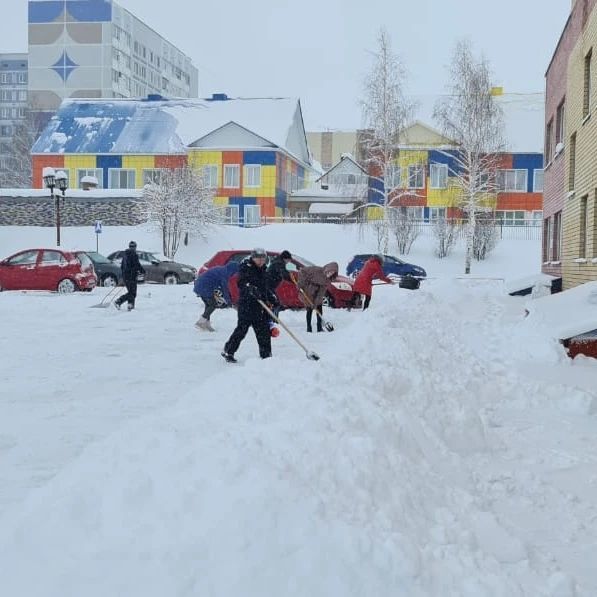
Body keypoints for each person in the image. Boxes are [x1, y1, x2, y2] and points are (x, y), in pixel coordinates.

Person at [221, 248, 278, 363]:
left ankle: (266, 357)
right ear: (253, 258)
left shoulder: (263, 270)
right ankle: (229, 350)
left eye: (263, 259)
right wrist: (250, 288)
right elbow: (241, 283)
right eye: (259, 259)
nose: (261, 261)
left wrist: (272, 298)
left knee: (263, 332)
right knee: (241, 330)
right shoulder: (246, 268)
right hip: (247, 306)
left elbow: (265, 287)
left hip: (260, 307)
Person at [193, 261, 239, 331]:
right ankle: (200, 322)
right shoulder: (225, 274)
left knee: (208, 305)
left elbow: (219, 284)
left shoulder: (222, 269)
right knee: (213, 305)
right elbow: (225, 289)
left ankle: (206, 324)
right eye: (236, 271)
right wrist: (229, 302)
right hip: (204, 287)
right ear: (233, 269)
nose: (235, 274)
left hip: (200, 286)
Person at [297, 262, 338, 332]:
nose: (330, 273)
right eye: (330, 271)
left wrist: (316, 303)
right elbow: (302, 271)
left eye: (332, 273)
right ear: (327, 269)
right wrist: (301, 284)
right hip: (308, 290)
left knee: (319, 308)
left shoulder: (327, 280)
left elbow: (321, 293)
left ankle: (319, 327)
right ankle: (309, 328)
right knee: (309, 309)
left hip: (317, 293)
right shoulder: (317, 270)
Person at [114, 241, 145, 311]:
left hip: (126, 276)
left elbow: (122, 266)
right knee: (132, 293)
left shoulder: (125, 255)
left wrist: (124, 275)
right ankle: (119, 301)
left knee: (131, 292)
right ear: (134, 247)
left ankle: (130, 305)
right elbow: (137, 265)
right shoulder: (133, 254)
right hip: (131, 277)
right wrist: (142, 271)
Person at [266, 250, 293, 317]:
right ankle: (273, 318)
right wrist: (292, 280)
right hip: (268, 286)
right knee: (275, 303)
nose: (289, 262)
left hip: (269, 286)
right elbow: (284, 274)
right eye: (289, 260)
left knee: (274, 302)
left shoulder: (278, 262)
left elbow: (284, 272)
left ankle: (272, 317)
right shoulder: (279, 263)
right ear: (285, 258)